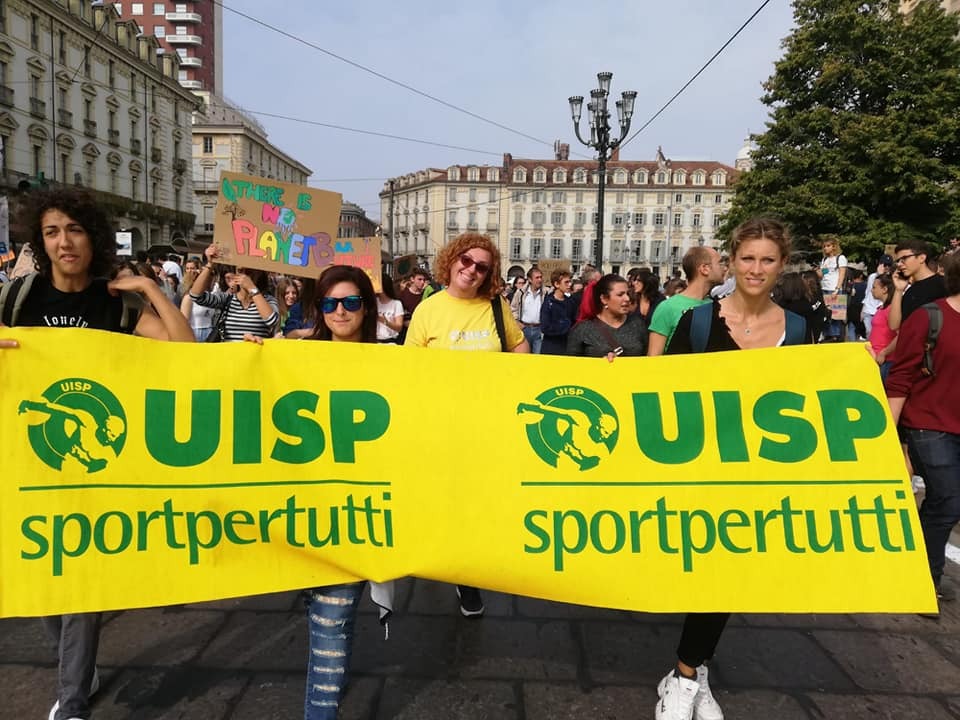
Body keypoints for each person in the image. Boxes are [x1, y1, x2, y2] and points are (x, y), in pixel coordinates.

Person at [0, 188, 194, 720]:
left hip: (96, 467)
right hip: (29, 463)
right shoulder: (17, 298)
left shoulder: (114, 303)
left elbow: (186, 353)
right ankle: (79, 669)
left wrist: (150, 289)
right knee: (45, 583)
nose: (64, 242)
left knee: (80, 582)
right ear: (40, 242)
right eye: (52, 232)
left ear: (93, 238)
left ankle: (72, 701)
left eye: (74, 230)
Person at [654, 217, 808, 720]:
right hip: (696, 467)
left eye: (767, 260)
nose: (756, 269)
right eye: (747, 258)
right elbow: (660, 392)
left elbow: (806, 400)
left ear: (782, 265)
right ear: (732, 261)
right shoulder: (698, 322)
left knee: (726, 572)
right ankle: (691, 668)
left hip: (755, 473)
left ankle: (686, 674)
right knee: (695, 569)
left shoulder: (798, 329)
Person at [405, 232, 528, 616]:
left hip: (487, 424)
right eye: (466, 260)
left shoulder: (496, 306)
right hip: (441, 423)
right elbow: (410, 369)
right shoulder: (428, 310)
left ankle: (467, 574)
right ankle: (449, 561)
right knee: (447, 498)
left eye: (482, 267)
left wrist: (516, 375)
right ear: (452, 259)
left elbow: (519, 345)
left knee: (477, 501)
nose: (472, 270)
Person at [885, 251, 960, 607]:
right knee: (948, 499)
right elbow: (901, 378)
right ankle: (924, 580)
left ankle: (910, 558)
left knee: (946, 501)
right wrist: (887, 435)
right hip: (929, 424)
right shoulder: (930, 316)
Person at [187, 244, 279, 342]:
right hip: (229, 351)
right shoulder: (228, 299)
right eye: (240, 271)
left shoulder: (267, 300)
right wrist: (210, 264)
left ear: (259, 273)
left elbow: (272, 321)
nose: (244, 275)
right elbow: (195, 296)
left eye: (249, 272)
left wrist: (252, 288)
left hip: (256, 351)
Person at [646, 246, 725, 356]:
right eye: (720, 263)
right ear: (705, 269)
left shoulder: (716, 306)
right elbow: (654, 357)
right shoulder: (667, 308)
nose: (725, 268)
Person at [566, 274, 647, 358]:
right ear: (604, 299)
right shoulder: (583, 329)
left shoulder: (638, 324)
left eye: (628, 294)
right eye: (620, 295)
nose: (627, 299)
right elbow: (571, 363)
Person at [540, 269, 577, 355]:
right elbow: (545, 327)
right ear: (557, 284)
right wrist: (565, 326)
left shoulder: (570, 302)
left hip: (566, 346)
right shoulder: (548, 303)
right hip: (551, 347)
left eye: (570, 282)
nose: (569, 285)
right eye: (566, 282)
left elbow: (574, 321)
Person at [817, 236, 847, 341]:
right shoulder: (824, 259)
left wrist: (837, 289)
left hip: (834, 288)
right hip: (824, 287)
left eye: (828, 246)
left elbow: (842, 274)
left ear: (834, 246)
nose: (826, 248)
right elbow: (824, 273)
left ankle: (836, 336)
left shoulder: (840, 258)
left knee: (836, 315)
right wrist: (819, 272)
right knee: (826, 314)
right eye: (824, 246)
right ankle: (827, 335)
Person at [511, 265, 547, 353]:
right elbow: (513, 308)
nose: (540, 280)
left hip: (539, 330)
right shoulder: (520, 293)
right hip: (524, 328)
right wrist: (517, 322)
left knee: (537, 356)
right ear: (530, 279)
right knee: (524, 356)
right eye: (537, 278)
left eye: (541, 277)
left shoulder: (546, 292)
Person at [867, 273, 896, 379]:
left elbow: (901, 334)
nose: (872, 290)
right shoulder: (881, 308)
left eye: (874, 287)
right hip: (876, 358)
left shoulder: (891, 309)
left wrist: (884, 352)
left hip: (886, 361)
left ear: (884, 289)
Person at [862, 254, 893, 339]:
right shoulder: (872, 276)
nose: (886, 267)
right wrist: (863, 308)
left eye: (889, 265)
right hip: (869, 309)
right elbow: (868, 292)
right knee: (869, 332)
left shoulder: (891, 278)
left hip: (881, 309)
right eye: (885, 265)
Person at [375, 274, 404, 343]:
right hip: (375, 340)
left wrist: (385, 321)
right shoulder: (374, 301)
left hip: (390, 341)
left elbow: (399, 327)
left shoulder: (397, 304)